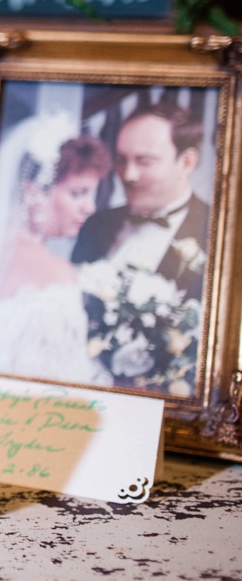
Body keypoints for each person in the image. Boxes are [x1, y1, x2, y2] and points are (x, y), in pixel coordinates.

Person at [71, 101, 210, 390]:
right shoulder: (96, 224)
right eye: (121, 160)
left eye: (144, 161)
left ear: (187, 162)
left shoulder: (219, 235)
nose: (128, 175)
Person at [0, 113, 113, 385]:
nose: (90, 207)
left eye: (91, 194)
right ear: (33, 192)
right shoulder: (60, 275)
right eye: (78, 193)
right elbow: (68, 379)